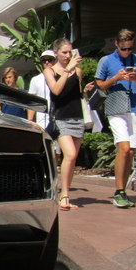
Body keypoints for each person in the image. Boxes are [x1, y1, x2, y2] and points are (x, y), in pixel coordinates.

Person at [95, 29, 136, 208]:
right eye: (124, 48)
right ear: (117, 44)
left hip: (135, 108)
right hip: (116, 107)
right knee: (124, 148)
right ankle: (118, 191)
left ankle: (122, 191)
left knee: (131, 152)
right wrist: (116, 78)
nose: (127, 52)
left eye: (130, 48)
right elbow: (100, 85)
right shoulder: (106, 61)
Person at [44, 39, 85, 210]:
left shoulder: (78, 71)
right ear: (56, 53)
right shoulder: (50, 71)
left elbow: (78, 94)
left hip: (77, 117)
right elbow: (56, 91)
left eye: (70, 52)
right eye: (64, 53)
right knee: (70, 154)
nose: (68, 56)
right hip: (61, 118)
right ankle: (64, 195)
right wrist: (67, 71)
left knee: (73, 158)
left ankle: (65, 193)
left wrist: (86, 89)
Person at [27, 50, 61, 158]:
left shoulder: (61, 77)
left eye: (49, 60)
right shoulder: (35, 80)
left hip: (59, 117)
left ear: (55, 61)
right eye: (44, 60)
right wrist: (30, 121)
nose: (46, 62)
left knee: (58, 151)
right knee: (46, 149)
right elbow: (32, 101)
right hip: (42, 120)